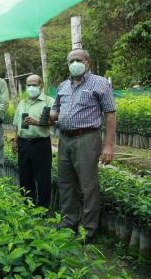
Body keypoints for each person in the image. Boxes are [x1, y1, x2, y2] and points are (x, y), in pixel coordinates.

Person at [50, 49, 116, 243]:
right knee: (66, 182)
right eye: (71, 61)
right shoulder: (63, 86)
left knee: (88, 185)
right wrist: (46, 117)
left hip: (87, 138)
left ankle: (88, 229)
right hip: (64, 138)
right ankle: (69, 221)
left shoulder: (100, 83)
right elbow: (56, 110)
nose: (74, 63)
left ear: (88, 62)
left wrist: (109, 146)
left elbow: (110, 114)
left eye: (78, 60)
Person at [12, 75, 54, 208]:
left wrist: (37, 123)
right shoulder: (22, 103)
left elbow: (55, 122)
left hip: (41, 143)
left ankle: (43, 208)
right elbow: (17, 125)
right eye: (28, 85)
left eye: (34, 85)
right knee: (25, 177)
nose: (31, 88)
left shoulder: (49, 101)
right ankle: (28, 205)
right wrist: (15, 141)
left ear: (41, 86)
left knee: (43, 178)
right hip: (24, 143)